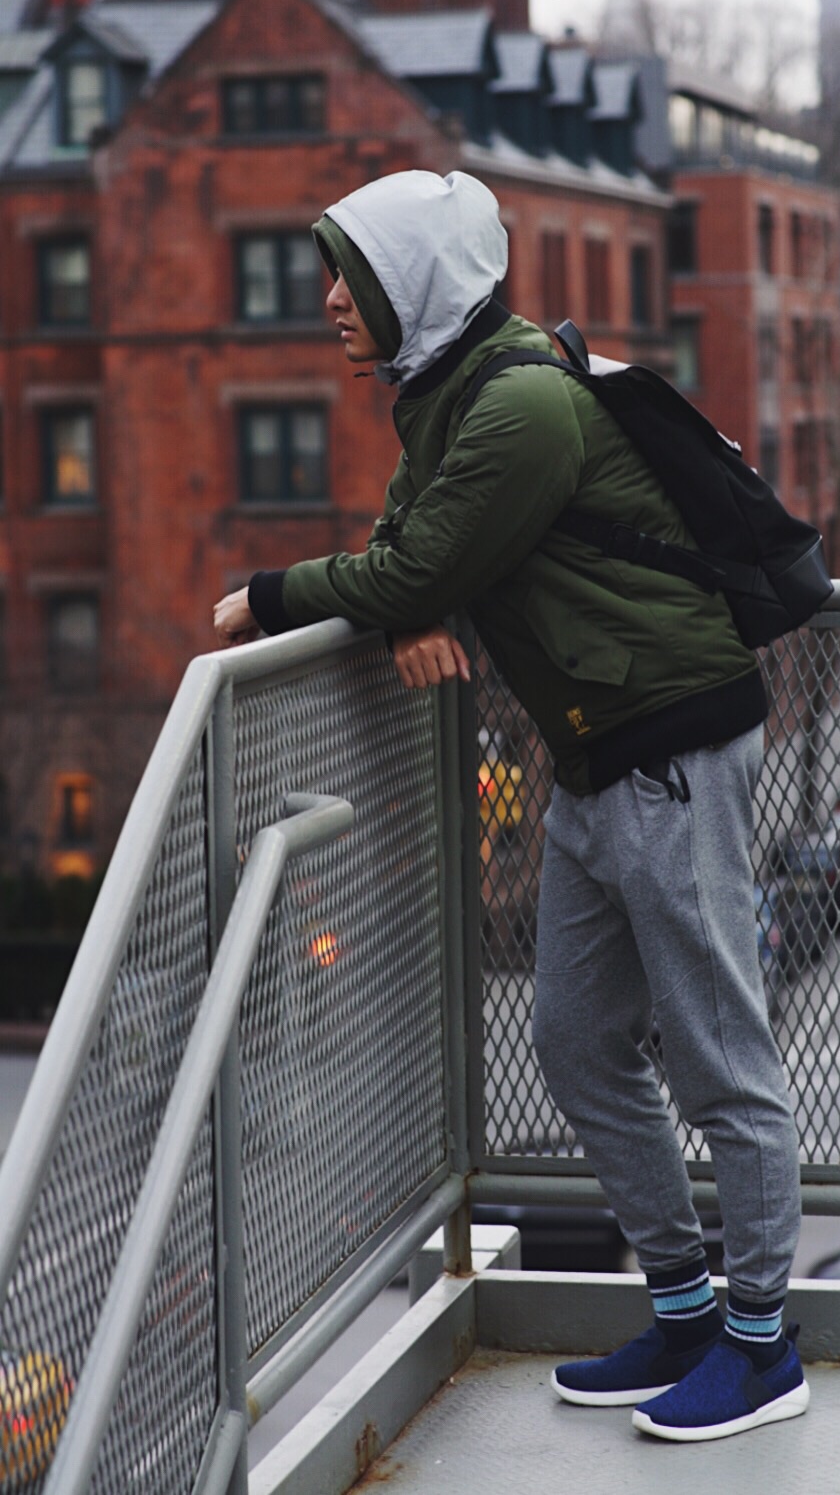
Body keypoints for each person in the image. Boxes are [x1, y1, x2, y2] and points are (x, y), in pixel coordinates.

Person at [213, 169, 807, 1445]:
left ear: (415, 283)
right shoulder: (448, 399)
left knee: (719, 1051)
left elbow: (416, 559)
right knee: (577, 1039)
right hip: (594, 755)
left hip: (669, 740)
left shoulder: (520, 403)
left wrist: (274, 595)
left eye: (352, 277)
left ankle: (764, 1345)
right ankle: (686, 1309)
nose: (330, 299)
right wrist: (405, 603)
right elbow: (415, 553)